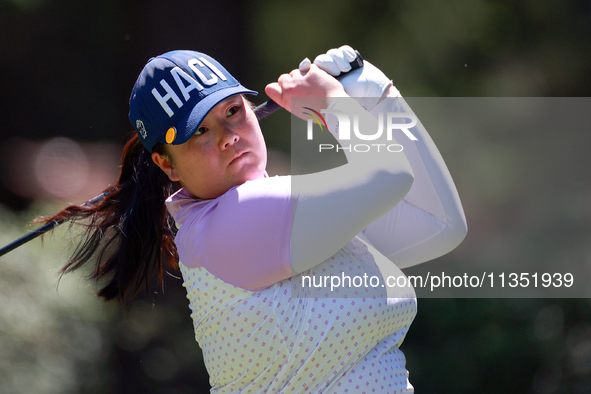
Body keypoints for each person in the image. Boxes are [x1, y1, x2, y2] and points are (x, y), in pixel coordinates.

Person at [45, 45, 467, 393]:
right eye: (198, 133)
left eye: (232, 111)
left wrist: (376, 93)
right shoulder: (240, 217)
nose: (228, 137)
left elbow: (440, 225)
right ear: (166, 165)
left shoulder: (274, 213)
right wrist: (335, 102)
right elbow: (390, 175)